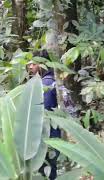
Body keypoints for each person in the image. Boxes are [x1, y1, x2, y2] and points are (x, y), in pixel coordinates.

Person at [27, 50, 60, 180]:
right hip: (53, 130)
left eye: (34, 64)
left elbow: (43, 109)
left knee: (46, 167)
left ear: (42, 65)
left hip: (47, 131)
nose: (30, 67)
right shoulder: (52, 80)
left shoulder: (45, 83)